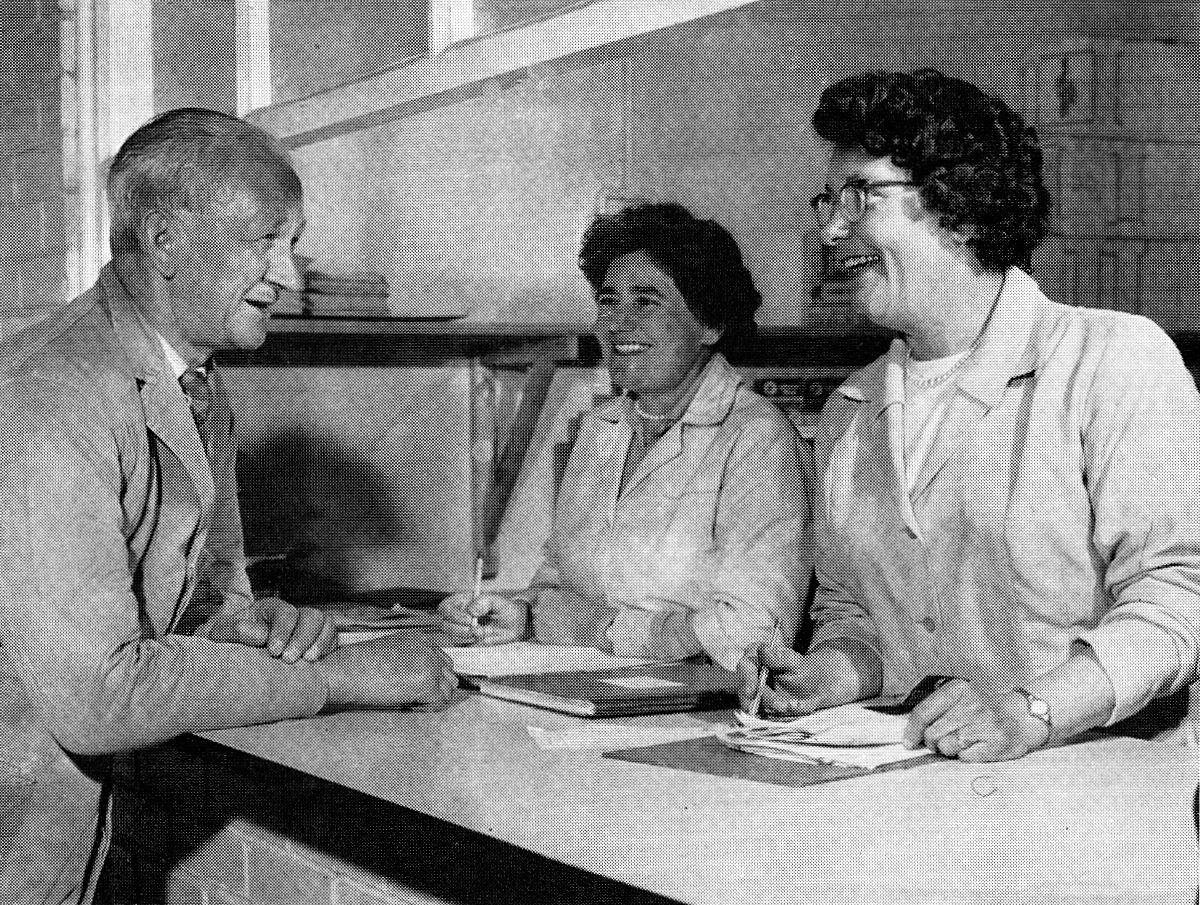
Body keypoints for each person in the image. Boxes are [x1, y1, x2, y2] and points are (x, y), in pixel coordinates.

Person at [0, 109, 456, 904]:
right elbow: (98, 697)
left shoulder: (197, 387)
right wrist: (348, 675)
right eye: (264, 242)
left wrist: (231, 624)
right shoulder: (53, 394)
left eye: (293, 243)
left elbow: (164, 600)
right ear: (167, 240)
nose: (290, 276)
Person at [738, 69, 1200, 762]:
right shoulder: (849, 411)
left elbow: (1177, 604)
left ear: (962, 205)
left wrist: (1031, 711)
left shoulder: (1115, 359)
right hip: (927, 788)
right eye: (828, 201)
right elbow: (855, 615)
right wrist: (827, 672)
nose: (833, 228)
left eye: (861, 195)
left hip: (1094, 791)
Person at [440, 203, 806, 671]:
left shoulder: (757, 439)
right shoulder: (598, 427)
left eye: (647, 302)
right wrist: (521, 612)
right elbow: (560, 587)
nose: (617, 324)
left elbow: (755, 629)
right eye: (609, 302)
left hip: (698, 710)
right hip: (590, 691)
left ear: (710, 325)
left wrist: (600, 628)